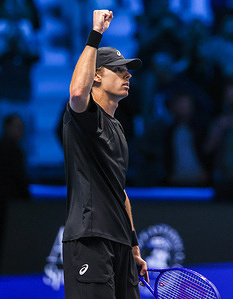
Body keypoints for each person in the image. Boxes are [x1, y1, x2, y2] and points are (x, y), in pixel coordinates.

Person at [61, 10, 148, 299]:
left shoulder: (119, 129)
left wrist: (133, 245)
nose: (128, 74)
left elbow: (119, 191)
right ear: (97, 75)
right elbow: (76, 93)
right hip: (91, 239)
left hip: (121, 244)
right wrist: (95, 34)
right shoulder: (84, 117)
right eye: (119, 70)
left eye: (128, 70)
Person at [0, 114, 31, 299]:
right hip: (10, 209)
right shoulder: (11, 151)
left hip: (0, 207)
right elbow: (19, 181)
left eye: (21, 126)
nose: (21, 130)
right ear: (7, 127)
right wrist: (26, 200)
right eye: (17, 126)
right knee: (1, 248)